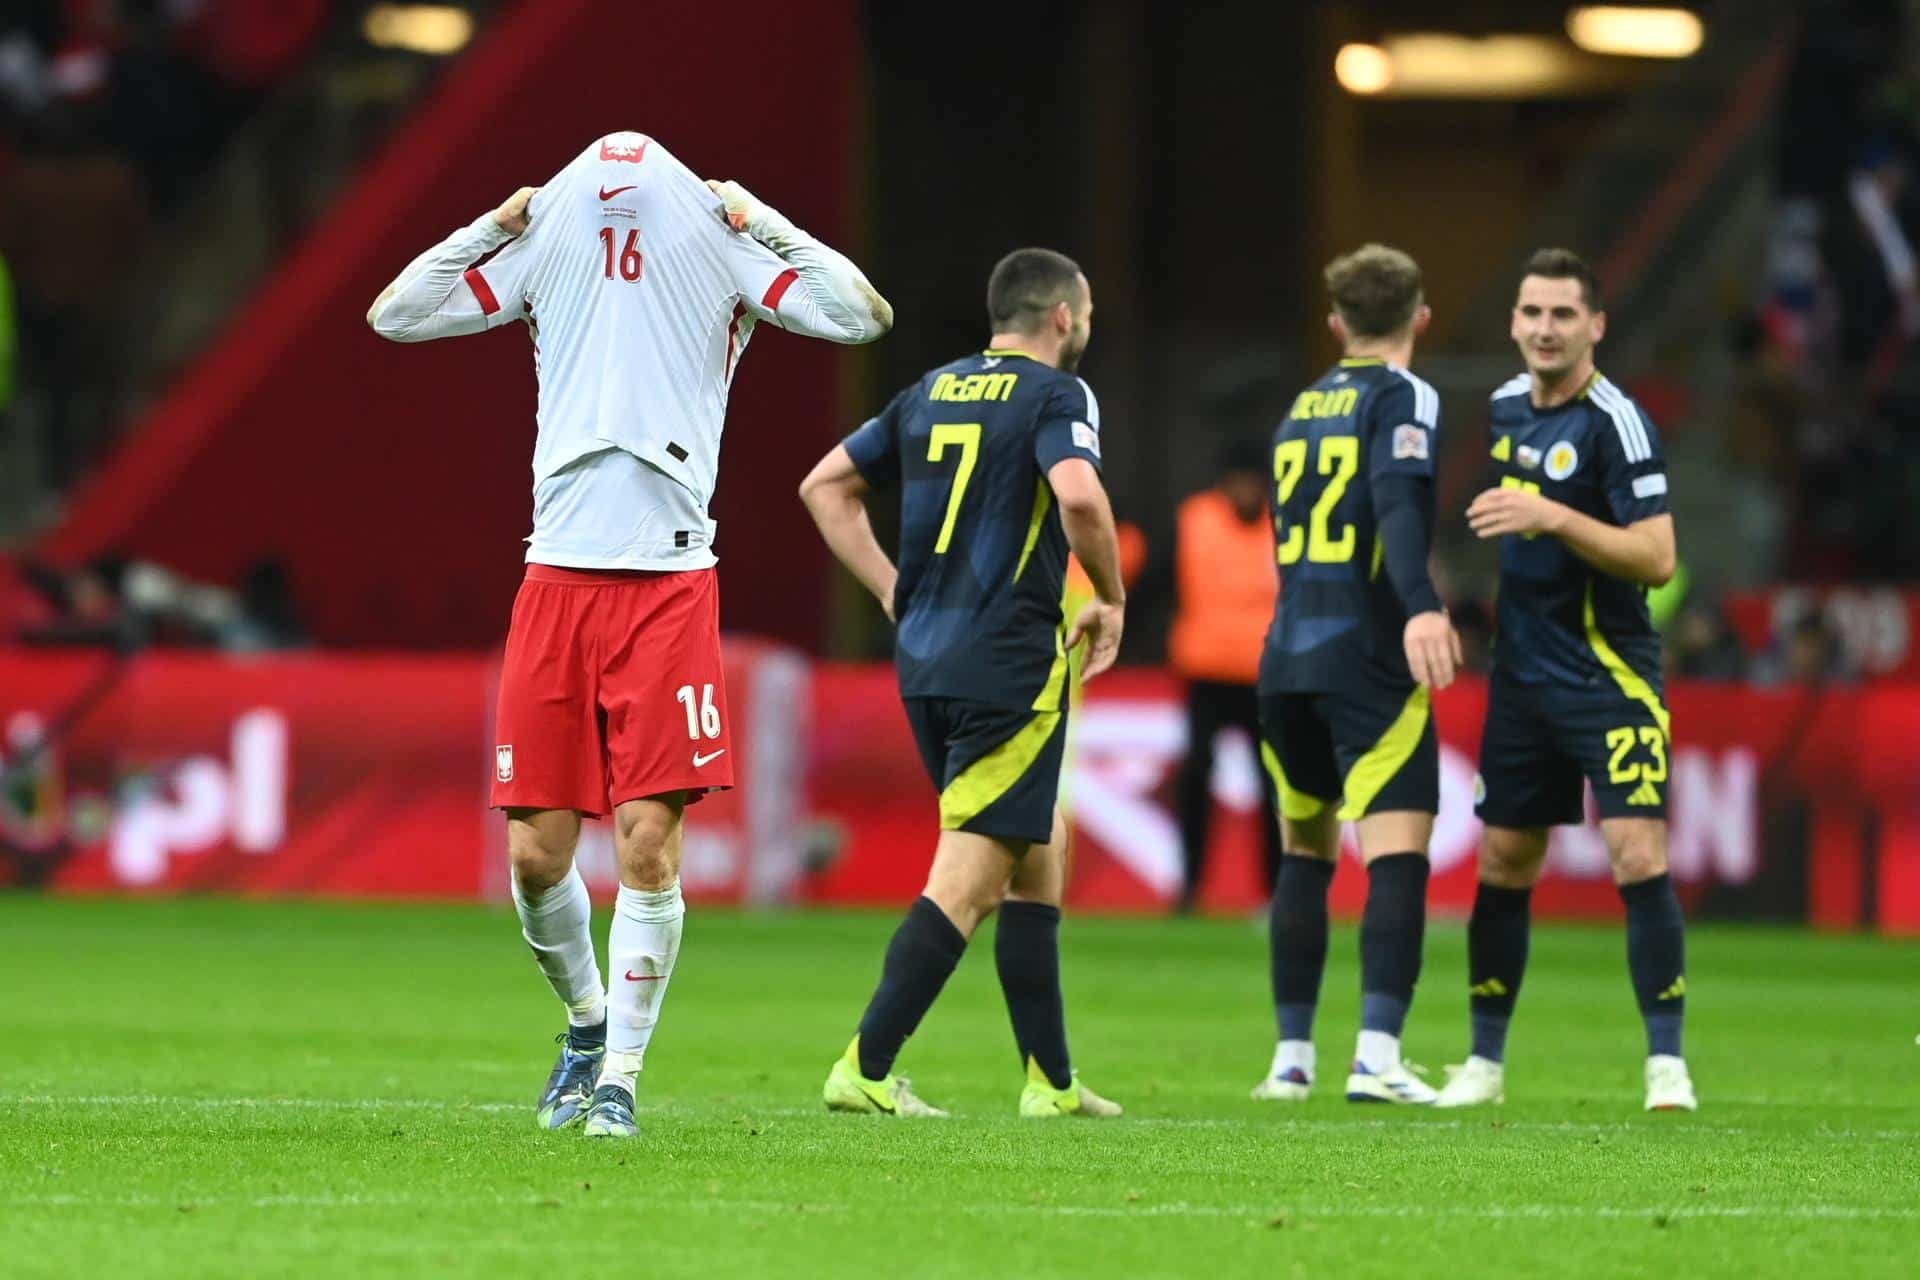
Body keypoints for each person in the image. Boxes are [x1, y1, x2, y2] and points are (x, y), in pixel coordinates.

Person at [368, 132, 892, 1138]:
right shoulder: (547, 244)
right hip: (556, 575)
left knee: (649, 843)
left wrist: (762, 220)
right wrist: (493, 223)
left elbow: (860, 315)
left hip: (669, 583)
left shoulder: (720, 246)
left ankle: (622, 1077)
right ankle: (585, 1023)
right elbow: (395, 314)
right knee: (534, 855)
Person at [798, 248, 1124, 1119]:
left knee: (1040, 847)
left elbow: (825, 486)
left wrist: (886, 585)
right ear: (1063, 316)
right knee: (971, 880)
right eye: (1084, 314)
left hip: (927, 660)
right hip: (1008, 662)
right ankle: (866, 1067)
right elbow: (1082, 500)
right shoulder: (1059, 394)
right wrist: (1115, 598)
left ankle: (1050, 1083)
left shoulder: (931, 389)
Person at [1435, 248, 1696, 1112]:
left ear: (1595, 326)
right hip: (1522, 680)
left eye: (1562, 315)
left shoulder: (1617, 422)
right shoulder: (1508, 408)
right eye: (1532, 312)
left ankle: (1666, 1065)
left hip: (1608, 674)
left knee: (1635, 851)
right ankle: (1483, 1064)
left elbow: (1658, 559)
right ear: (1513, 321)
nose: (1545, 329)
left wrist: (1552, 514)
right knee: (1507, 859)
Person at [1249, 244, 1459, 1106]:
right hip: (1366, 651)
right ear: (1421, 319)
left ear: (1336, 323)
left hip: (1285, 651)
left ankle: (1291, 1058)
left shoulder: (1299, 409)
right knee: (1396, 850)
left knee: (1305, 851)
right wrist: (1419, 604)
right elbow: (1398, 505)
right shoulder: (1404, 395)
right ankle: (1376, 1054)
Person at [1167, 442, 1283, 911]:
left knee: (1274, 788)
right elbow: (1159, 579)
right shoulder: (1195, 519)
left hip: (1265, 678)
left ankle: (1277, 893)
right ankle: (1189, 889)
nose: (1246, 491)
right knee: (1195, 780)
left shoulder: (1284, 525)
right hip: (1206, 674)